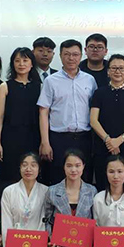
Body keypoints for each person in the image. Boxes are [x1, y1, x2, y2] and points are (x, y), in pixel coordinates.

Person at [37, 39, 97, 185]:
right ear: (60, 56)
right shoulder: (51, 81)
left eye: (75, 54)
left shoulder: (89, 80)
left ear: (81, 55)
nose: (71, 58)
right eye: (67, 54)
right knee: (58, 178)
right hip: (59, 139)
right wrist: (45, 142)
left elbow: (95, 110)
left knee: (84, 179)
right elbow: (43, 112)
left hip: (84, 138)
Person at [90, 54, 124, 190]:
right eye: (113, 68)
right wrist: (109, 141)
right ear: (108, 71)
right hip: (103, 148)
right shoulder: (99, 93)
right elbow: (93, 120)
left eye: (121, 68)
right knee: (103, 187)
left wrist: (119, 140)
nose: (117, 71)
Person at [0, 47, 41, 182]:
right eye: (17, 61)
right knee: (11, 173)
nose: (21, 64)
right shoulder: (5, 86)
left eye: (25, 60)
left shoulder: (39, 86)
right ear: (12, 64)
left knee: (32, 171)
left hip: (33, 136)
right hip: (10, 137)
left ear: (32, 64)